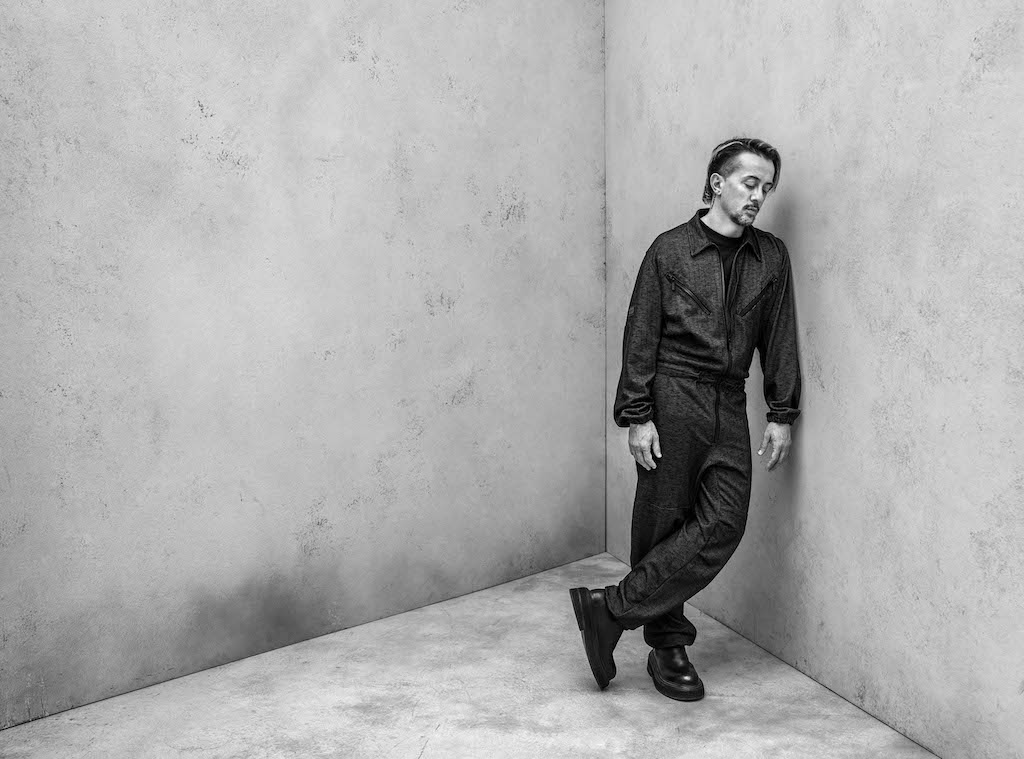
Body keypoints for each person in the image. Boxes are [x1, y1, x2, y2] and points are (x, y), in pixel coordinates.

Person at [570, 137, 802, 701]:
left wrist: (781, 412)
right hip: (672, 395)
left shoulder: (770, 257)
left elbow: (779, 337)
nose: (758, 196)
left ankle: (610, 609)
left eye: (767, 188)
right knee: (664, 522)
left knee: (724, 521)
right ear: (717, 183)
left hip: (729, 399)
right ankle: (668, 644)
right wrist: (637, 416)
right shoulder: (670, 251)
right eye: (750, 183)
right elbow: (640, 334)